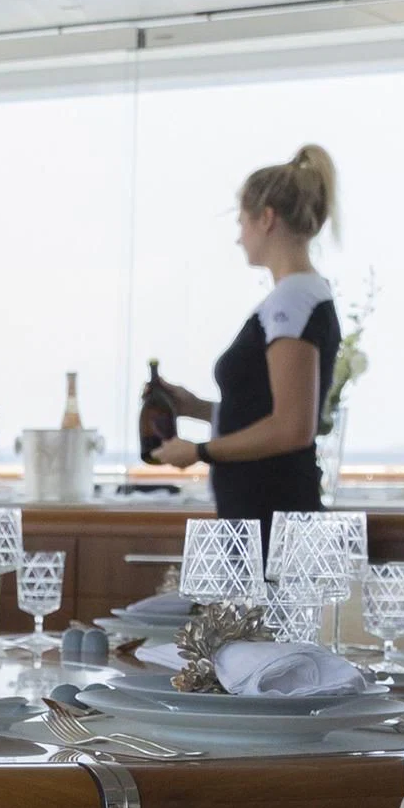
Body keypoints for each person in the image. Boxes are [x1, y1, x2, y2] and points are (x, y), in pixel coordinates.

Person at [145, 144, 341, 525]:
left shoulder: (294, 300)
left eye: (241, 222)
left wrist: (201, 451)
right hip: (261, 512)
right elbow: (264, 412)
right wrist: (195, 408)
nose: (239, 237)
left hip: (272, 514)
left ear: (266, 219)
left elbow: (291, 428)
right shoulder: (297, 298)